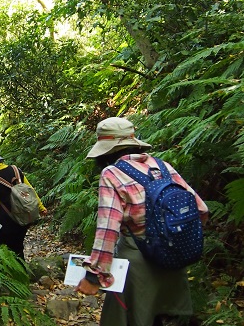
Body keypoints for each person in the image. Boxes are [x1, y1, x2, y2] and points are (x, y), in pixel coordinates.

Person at [75, 117, 209, 326]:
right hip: (173, 259)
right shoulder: (163, 167)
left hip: (137, 265)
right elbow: (201, 209)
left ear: (105, 149)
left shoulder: (112, 173)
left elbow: (107, 229)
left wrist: (94, 277)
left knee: (133, 318)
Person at [0, 149, 48, 260]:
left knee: (5, 251)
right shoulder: (16, 170)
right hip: (24, 217)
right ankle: (22, 271)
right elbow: (30, 190)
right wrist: (41, 207)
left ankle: (14, 274)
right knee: (18, 246)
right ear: (0, 160)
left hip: (7, 222)